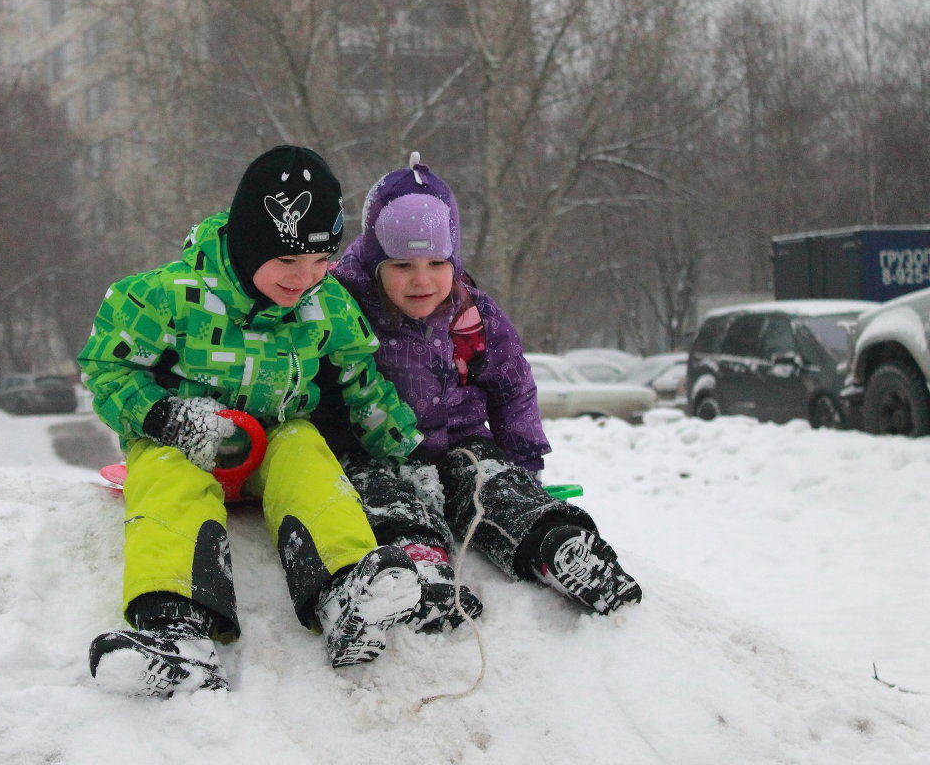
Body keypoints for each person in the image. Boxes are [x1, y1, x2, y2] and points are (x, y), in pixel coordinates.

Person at [77, 145, 429, 698]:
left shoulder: (328, 305)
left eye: (321, 262)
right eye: (288, 262)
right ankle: (178, 630)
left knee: (307, 449)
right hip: (187, 438)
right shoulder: (166, 297)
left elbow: (362, 383)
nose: (305, 278)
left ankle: (345, 589)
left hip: (275, 437)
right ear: (247, 244)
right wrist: (164, 417)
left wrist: (405, 446)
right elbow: (105, 367)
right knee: (167, 477)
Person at [321, 152, 642, 625]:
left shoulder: (472, 315)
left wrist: (524, 460)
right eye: (402, 266)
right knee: (385, 500)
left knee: (491, 485)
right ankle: (421, 569)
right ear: (373, 261)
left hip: (459, 444)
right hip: (374, 449)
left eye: (436, 262)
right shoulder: (341, 309)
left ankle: (556, 545)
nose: (422, 280)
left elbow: (512, 387)